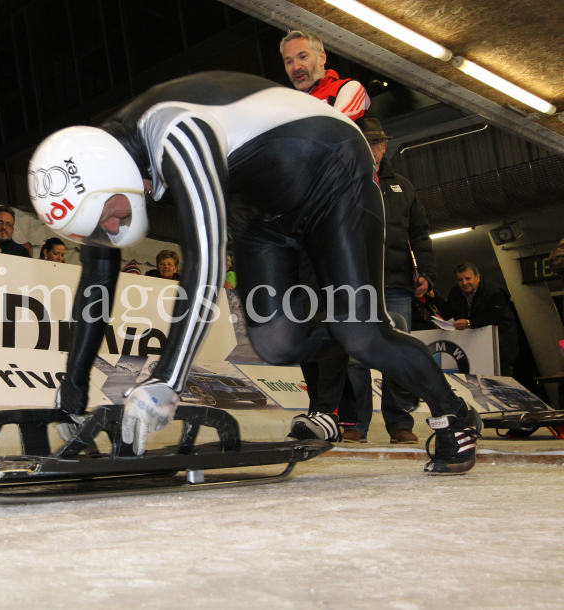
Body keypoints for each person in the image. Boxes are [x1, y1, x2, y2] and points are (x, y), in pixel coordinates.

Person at [29, 71, 479, 475]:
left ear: (113, 176)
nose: (112, 229)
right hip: (263, 209)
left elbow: (202, 264)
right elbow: (96, 289)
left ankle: (452, 411)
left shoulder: (175, 130)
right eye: (98, 228)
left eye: (108, 215)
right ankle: (360, 327)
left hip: (332, 174)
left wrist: (167, 379)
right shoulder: (107, 175)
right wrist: (71, 393)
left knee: (361, 335)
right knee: (276, 343)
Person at [343, 118, 436, 444]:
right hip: (357, 283)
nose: (374, 149)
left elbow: (420, 234)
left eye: (378, 143)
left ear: (385, 146)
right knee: (356, 358)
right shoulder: (343, 183)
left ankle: (400, 424)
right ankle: (357, 424)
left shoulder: (404, 188)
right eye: (366, 143)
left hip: (396, 283)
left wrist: (425, 272)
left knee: (397, 354)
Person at [444, 262, 519, 376]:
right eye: (460, 280)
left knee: (498, 383)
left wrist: (469, 323)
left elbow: (495, 317)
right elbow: (449, 313)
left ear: (477, 278)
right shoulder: (455, 293)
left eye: (468, 278)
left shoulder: (495, 291)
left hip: (499, 346)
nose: (464, 283)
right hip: (470, 348)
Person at [281, 31, 370, 123]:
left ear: (322, 58)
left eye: (303, 57)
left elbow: (336, 124)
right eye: (289, 62)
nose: (296, 67)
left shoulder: (348, 87)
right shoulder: (288, 105)